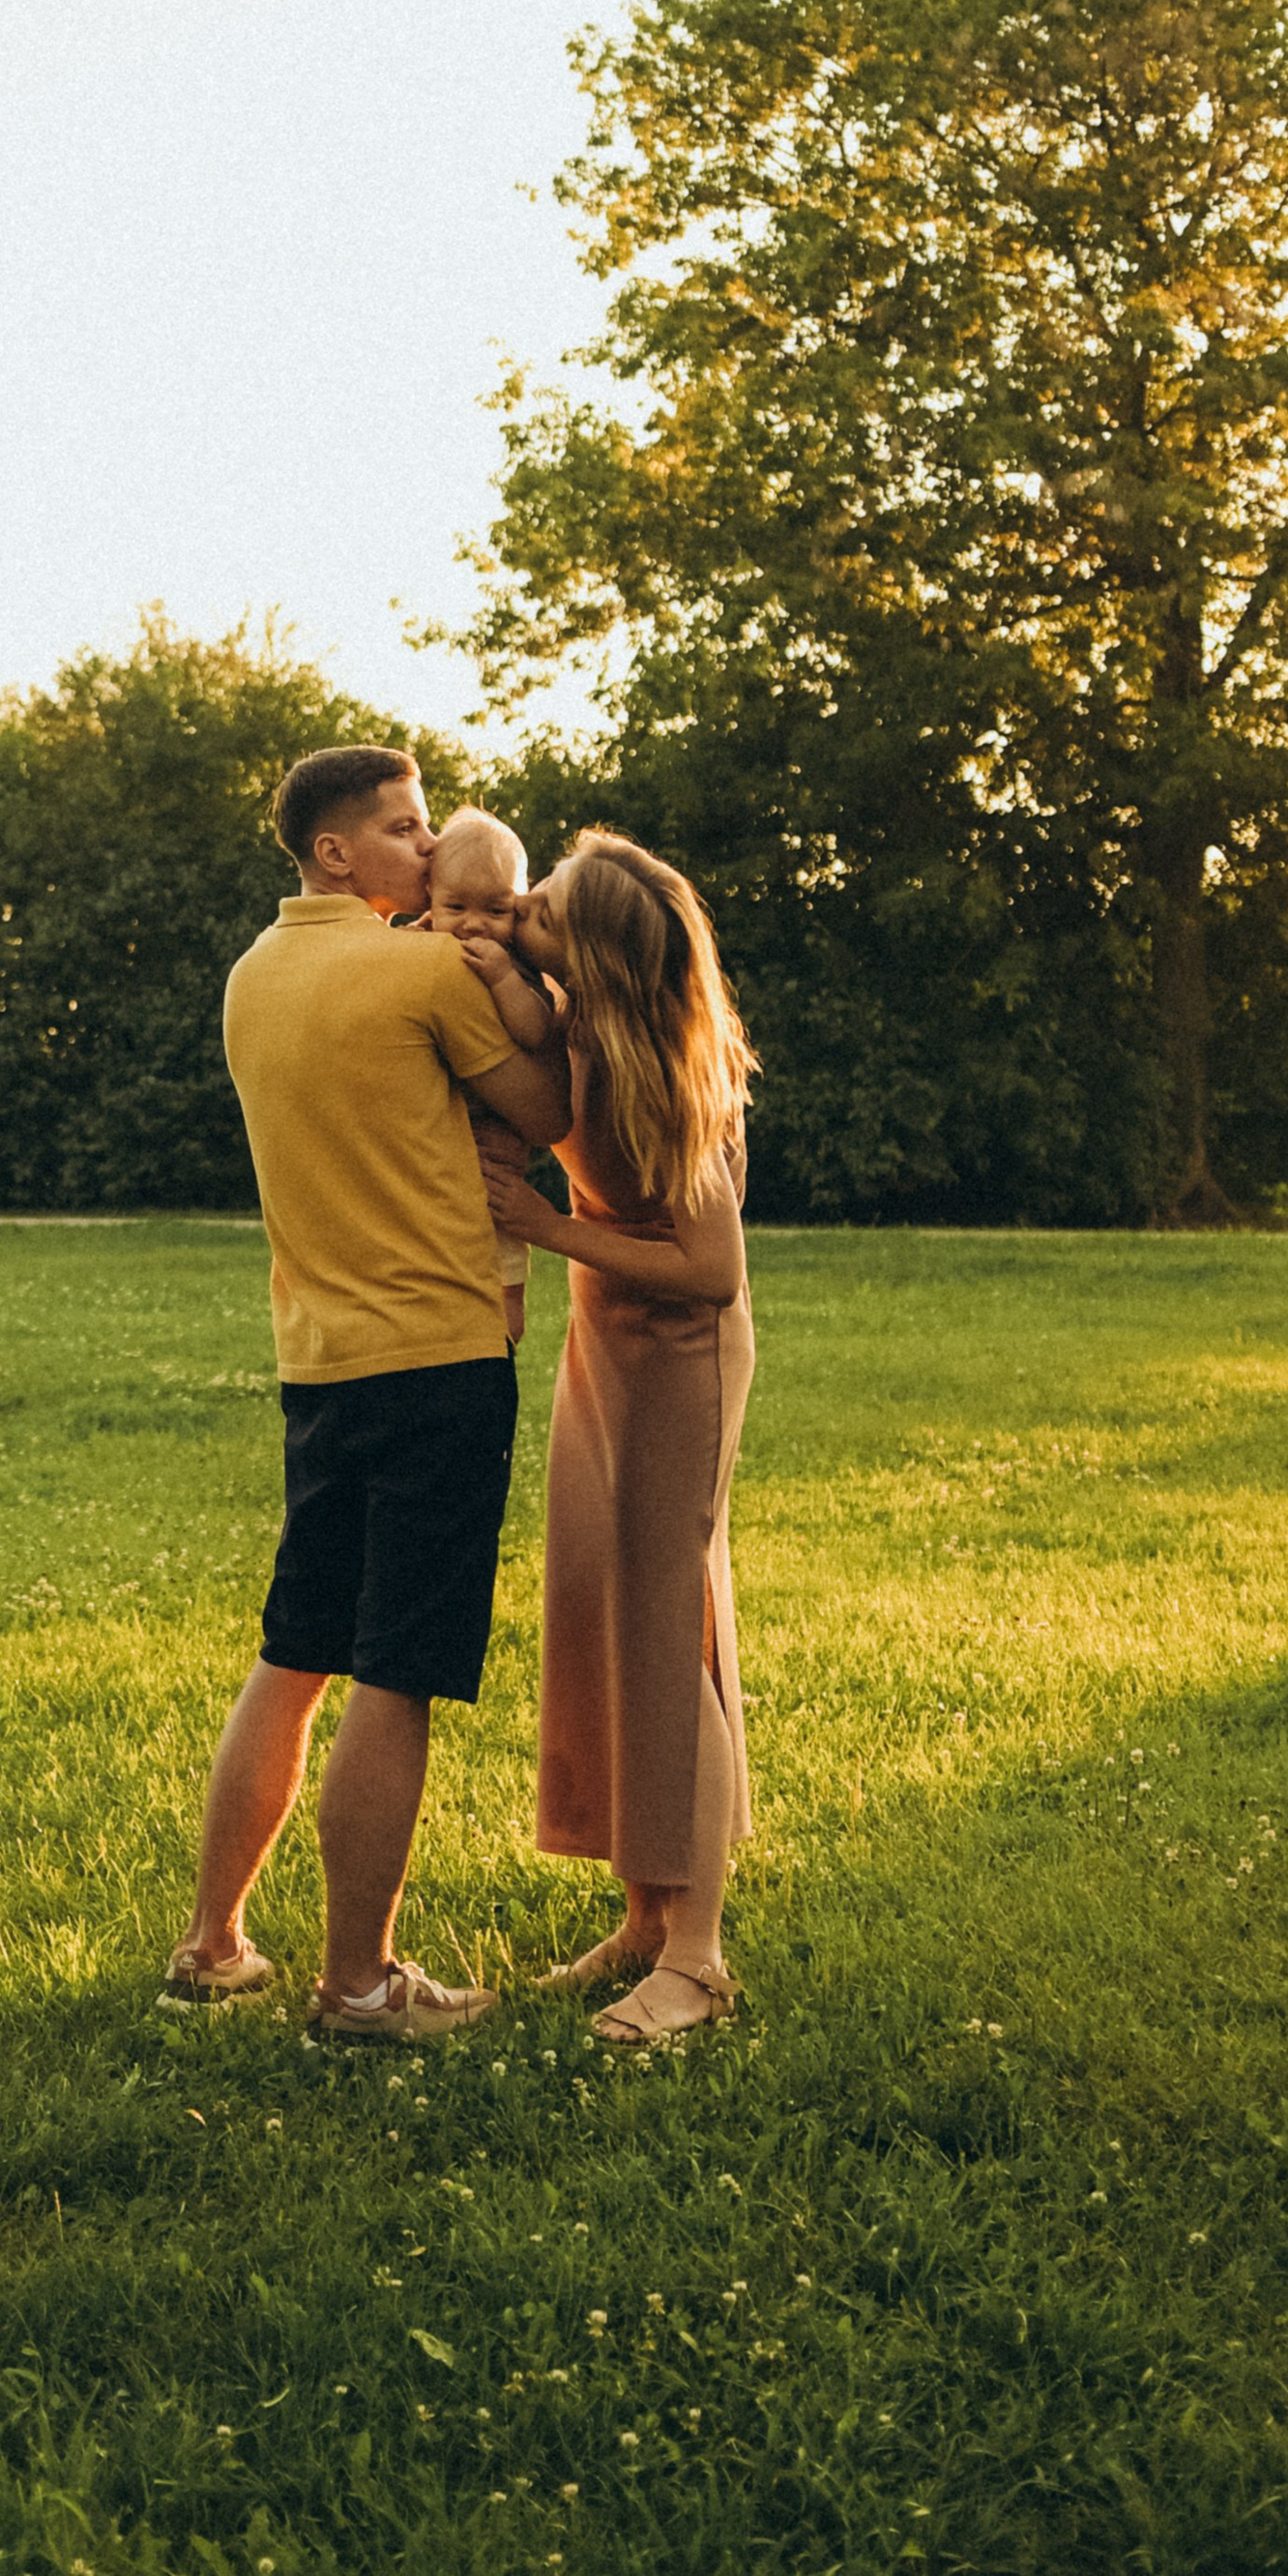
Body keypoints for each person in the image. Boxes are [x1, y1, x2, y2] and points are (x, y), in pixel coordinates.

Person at [164, 747, 571, 2042]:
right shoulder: (424, 971)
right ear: (335, 852)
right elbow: (546, 1110)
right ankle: (357, 1984)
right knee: (397, 1673)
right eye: (403, 828)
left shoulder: (250, 976)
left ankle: (212, 1942)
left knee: (295, 1653)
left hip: (319, 1363)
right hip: (439, 1357)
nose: (428, 848)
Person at [475, 830, 758, 2046]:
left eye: (539, 909)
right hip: (604, 1347)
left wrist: (545, 1228)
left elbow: (708, 1270)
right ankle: (645, 1918)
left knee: (666, 1637)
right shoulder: (577, 1028)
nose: (517, 913)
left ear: (591, 955)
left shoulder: (670, 1071)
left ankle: (696, 1960)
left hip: (679, 1360)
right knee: (604, 1616)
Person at [414, 806, 560, 1348]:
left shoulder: (516, 966)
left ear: (518, 907)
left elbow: (535, 1031)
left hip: (497, 1136)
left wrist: (502, 979)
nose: (474, 924)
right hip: (439, 1131)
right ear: (430, 898)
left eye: (496, 910)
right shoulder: (419, 944)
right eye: (455, 907)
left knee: (498, 1223)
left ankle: (506, 1319)